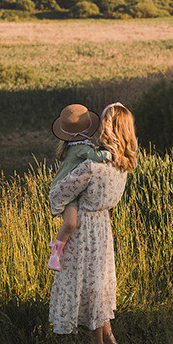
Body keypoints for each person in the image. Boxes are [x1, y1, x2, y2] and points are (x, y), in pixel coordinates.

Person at [48, 102, 137, 344]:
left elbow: (59, 193)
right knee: (98, 283)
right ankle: (109, 340)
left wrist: (60, 200)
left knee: (88, 286)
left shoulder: (90, 167)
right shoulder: (123, 165)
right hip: (103, 228)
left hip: (83, 231)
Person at [47, 103, 113, 271]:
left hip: (71, 189)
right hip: (65, 188)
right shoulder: (80, 148)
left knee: (73, 222)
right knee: (70, 222)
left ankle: (59, 249)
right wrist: (112, 153)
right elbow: (97, 157)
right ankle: (55, 254)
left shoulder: (76, 146)